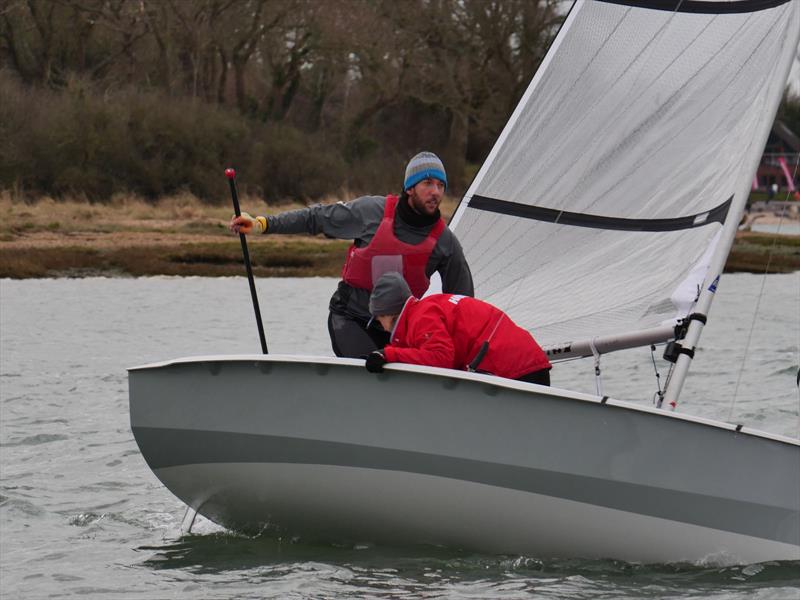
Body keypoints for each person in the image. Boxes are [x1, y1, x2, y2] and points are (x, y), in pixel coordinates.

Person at [230, 152, 473, 358]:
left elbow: (463, 307)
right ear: (410, 187)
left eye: (441, 186)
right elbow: (316, 218)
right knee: (376, 369)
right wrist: (263, 224)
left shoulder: (446, 243)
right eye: (428, 184)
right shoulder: (371, 212)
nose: (435, 192)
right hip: (350, 318)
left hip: (400, 333)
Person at [364, 272, 552, 385]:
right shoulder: (431, 306)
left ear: (389, 313)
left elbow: (441, 358)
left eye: (379, 319)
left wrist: (388, 355)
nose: (381, 326)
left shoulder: (422, 318)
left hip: (515, 373)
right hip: (528, 365)